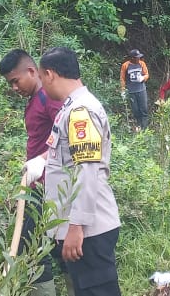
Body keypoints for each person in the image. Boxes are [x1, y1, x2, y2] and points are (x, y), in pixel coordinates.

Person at [38, 46, 121, 296]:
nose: (42, 85)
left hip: (89, 230)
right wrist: (40, 162)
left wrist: (76, 227)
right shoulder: (71, 108)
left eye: (42, 78)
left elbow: (87, 169)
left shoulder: (80, 112)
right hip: (82, 227)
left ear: (50, 74)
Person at [0, 49, 63, 296]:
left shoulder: (48, 97)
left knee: (32, 246)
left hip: (48, 186)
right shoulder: (35, 100)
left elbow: (66, 136)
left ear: (32, 71)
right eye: (10, 84)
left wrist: (41, 161)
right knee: (46, 244)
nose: (14, 88)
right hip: (36, 184)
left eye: (16, 81)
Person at [118, 49, 150, 131]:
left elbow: (146, 74)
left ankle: (145, 128)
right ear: (132, 58)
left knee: (144, 109)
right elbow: (122, 78)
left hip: (141, 90)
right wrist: (123, 90)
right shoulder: (125, 65)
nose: (138, 59)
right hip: (131, 91)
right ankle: (139, 126)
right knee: (135, 110)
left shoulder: (142, 63)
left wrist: (143, 78)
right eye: (137, 57)